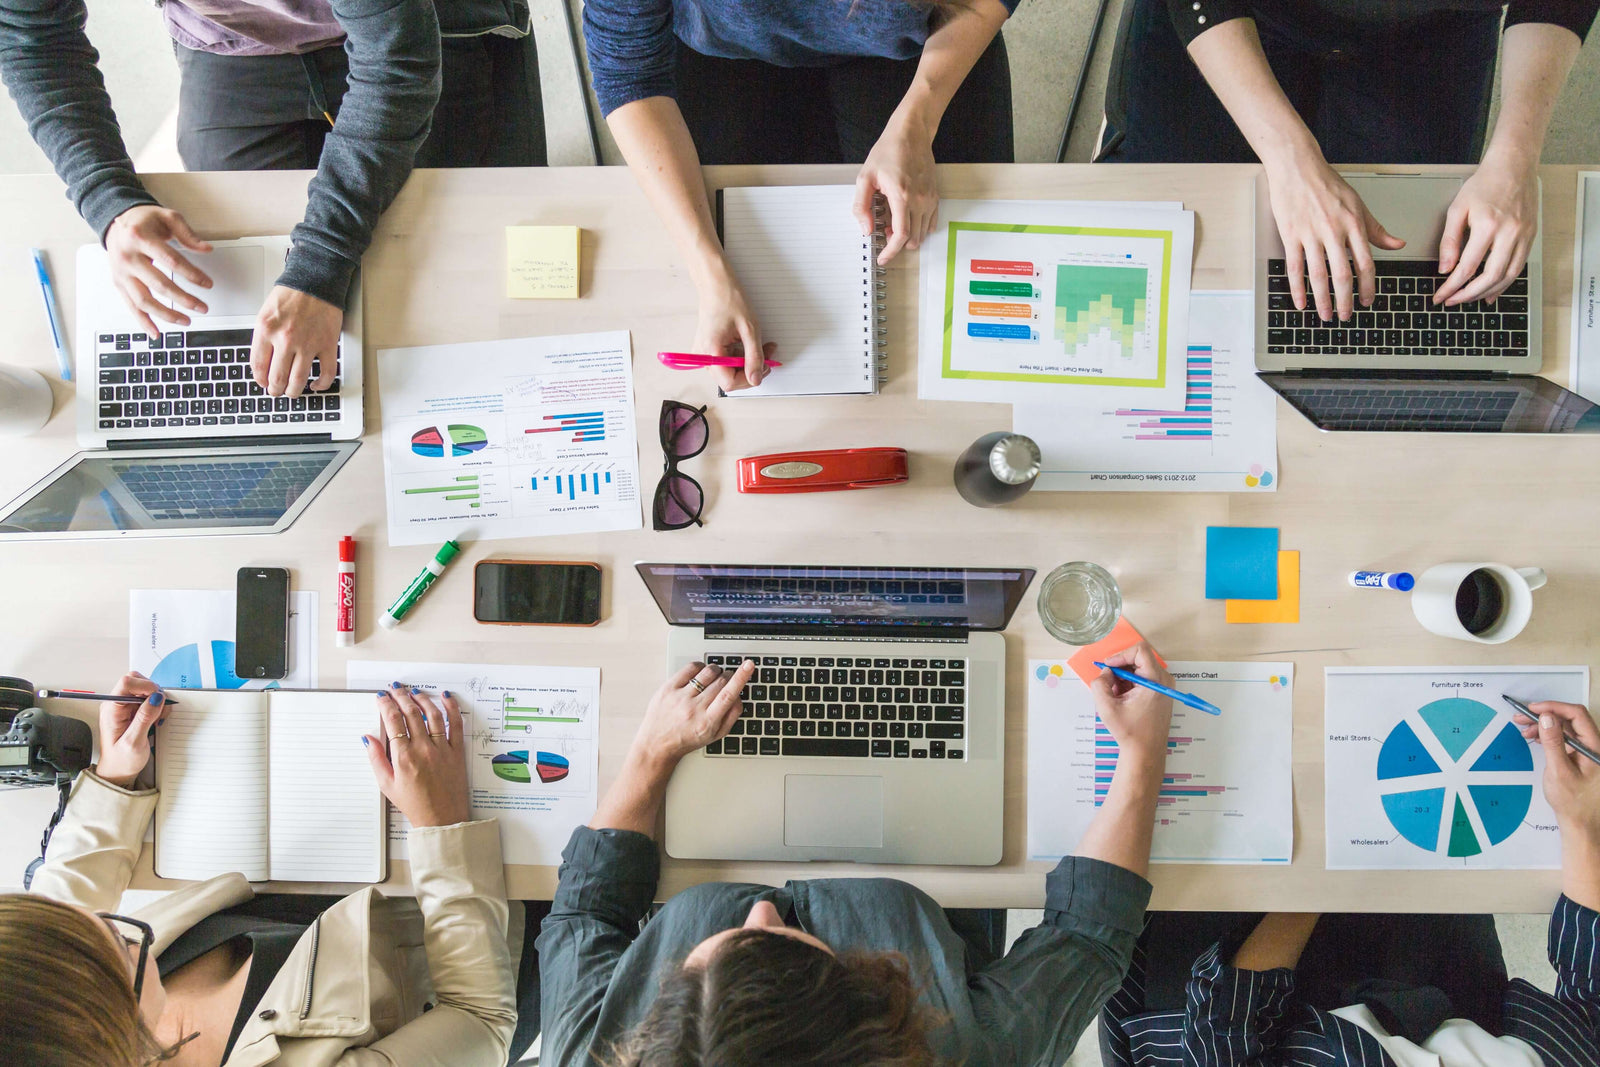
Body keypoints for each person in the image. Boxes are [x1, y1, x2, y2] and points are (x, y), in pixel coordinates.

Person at [537, 642, 1176, 1065]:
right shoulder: (961, 1053)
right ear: (868, 1011)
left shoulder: (592, 1049)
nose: (761, 912)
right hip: (946, 900)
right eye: (783, 941)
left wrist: (653, 754)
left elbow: (586, 917)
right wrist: (1143, 755)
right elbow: (1089, 936)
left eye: (697, 965)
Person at [0, 672, 533, 1066]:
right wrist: (442, 827)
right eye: (120, 947)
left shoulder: (45, 991)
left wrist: (117, 774)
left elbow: (63, 899)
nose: (124, 929)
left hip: (343, 891)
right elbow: (480, 1021)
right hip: (482, 945)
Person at [1101, 698, 1600, 1067]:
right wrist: (1583, 823)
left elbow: (1222, 1031)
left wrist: (1319, 881)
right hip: (1433, 998)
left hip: (1220, 1011)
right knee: (1448, 860)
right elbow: (1589, 1002)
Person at [0, 0, 449, 399]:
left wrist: (320, 265)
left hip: (418, 23)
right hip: (229, 39)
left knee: (446, 268)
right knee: (245, 300)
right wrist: (108, 199)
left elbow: (397, 63)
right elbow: (33, 40)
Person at [582, 0, 1019, 392]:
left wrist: (919, 121)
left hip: (916, 45)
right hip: (721, 48)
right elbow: (628, 70)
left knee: (952, 300)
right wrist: (708, 272)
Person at [1097, 0, 1598, 324]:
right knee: (1163, 251)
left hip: (1431, 33)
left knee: (1405, 280)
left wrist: (1515, 157)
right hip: (1233, 16)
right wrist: (1290, 157)